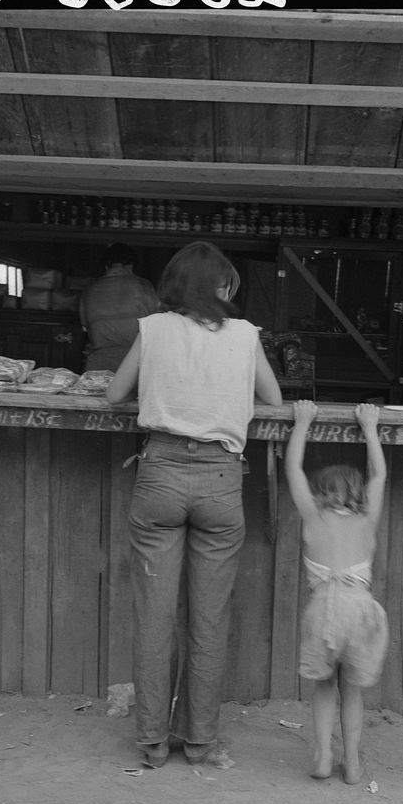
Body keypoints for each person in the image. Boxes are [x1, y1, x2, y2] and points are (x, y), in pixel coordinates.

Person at [107, 241, 283, 768]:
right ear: (224, 287)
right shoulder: (246, 335)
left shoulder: (153, 328)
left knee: (154, 619)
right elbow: (273, 399)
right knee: (209, 619)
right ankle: (201, 741)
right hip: (220, 482)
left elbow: (115, 393)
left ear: (174, 287)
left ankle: (153, 744)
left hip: (159, 474)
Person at [284, 400, 390, 784]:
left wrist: (302, 422)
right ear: (357, 494)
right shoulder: (367, 519)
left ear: (320, 494)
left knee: (324, 685)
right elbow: (378, 475)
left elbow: (293, 469)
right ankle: (355, 763)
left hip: (323, 610)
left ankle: (324, 756)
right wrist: (370, 428)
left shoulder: (313, 516)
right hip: (360, 612)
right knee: (353, 691)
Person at [79, 243, 161, 371]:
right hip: (136, 366)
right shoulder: (144, 286)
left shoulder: (89, 290)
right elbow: (156, 321)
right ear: (131, 265)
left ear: (106, 266)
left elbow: (84, 325)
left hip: (99, 365)